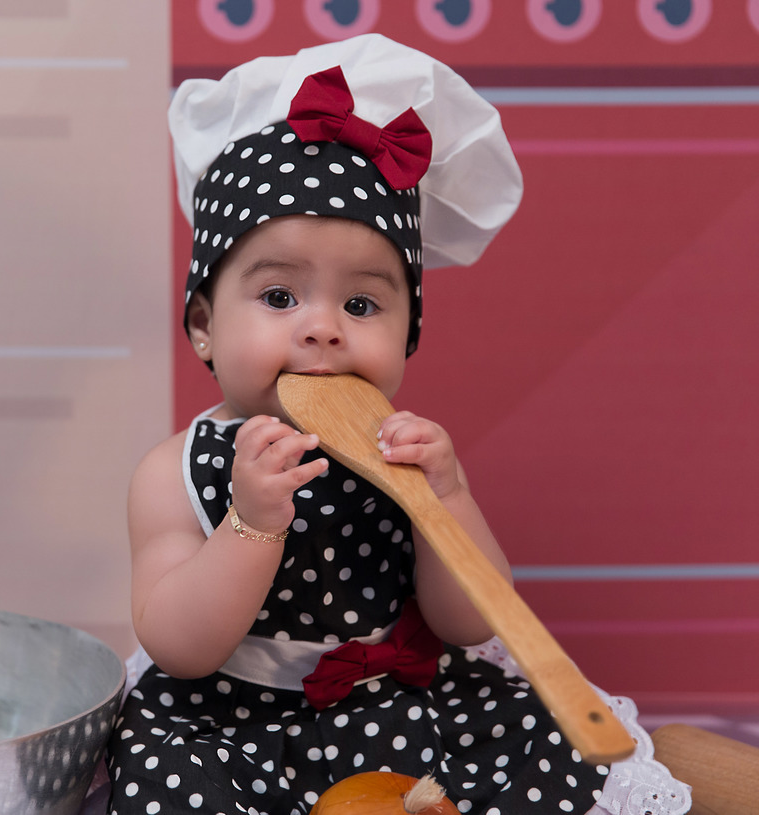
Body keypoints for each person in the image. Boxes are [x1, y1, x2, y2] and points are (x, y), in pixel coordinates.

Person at [105, 35, 691, 814]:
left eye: (361, 304)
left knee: (540, 745)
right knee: (169, 782)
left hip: (401, 706)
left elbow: (467, 619)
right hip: (232, 724)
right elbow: (181, 648)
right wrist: (251, 523)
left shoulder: (400, 450)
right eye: (279, 297)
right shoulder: (174, 472)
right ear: (205, 324)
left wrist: (441, 498)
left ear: (408, 333)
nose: (323, 327)